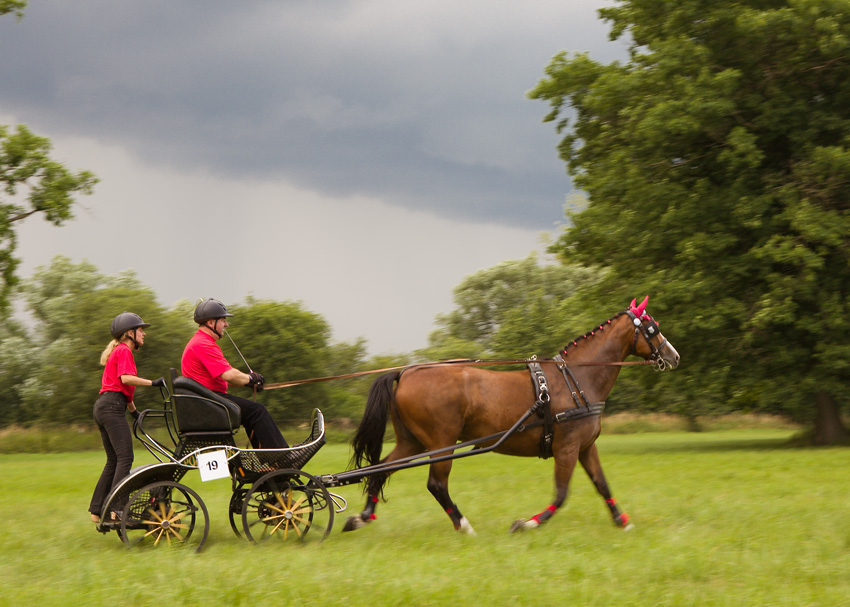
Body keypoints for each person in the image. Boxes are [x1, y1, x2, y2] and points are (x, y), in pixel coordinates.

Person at [181, 298, 289, 449]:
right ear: (211, 323)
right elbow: (229, 375)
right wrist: (251, 378)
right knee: (257, 411)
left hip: (206, 400)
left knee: (252, 412)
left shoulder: (200, 342)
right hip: (209, 401)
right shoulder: (203, 344)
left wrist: (248, 382)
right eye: (223, 320)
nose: (226, 324)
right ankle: (280, 455)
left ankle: (268, 460)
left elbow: (226, 378)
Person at [89, 312, 165, 524]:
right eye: (141, 330)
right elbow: (126, 379)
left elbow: (122, 388)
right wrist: (153, 383)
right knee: (125, 458)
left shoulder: (118, 352)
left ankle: (97, 510)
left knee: (113, 460)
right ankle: (118, 509)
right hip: (112, 407)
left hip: (105, 406)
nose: (144, 333)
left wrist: (133, 412)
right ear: (129, 333)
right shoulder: (124, 351)